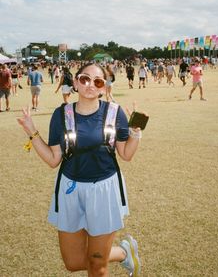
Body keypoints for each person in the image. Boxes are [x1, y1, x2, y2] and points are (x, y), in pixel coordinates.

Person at [17, 63, 142, 276]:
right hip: (70, 189)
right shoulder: (61, 114)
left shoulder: (114, 112)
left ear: (104, 87)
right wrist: (32, 132)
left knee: (97, 265)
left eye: (98, 81)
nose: (90, 85)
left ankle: (111, 256)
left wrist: (136, 133)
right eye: (84, 79)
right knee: (73, 262)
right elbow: (53, 159)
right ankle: (123, 252)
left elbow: (126, 155)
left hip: (103, 189)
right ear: (75, 82)